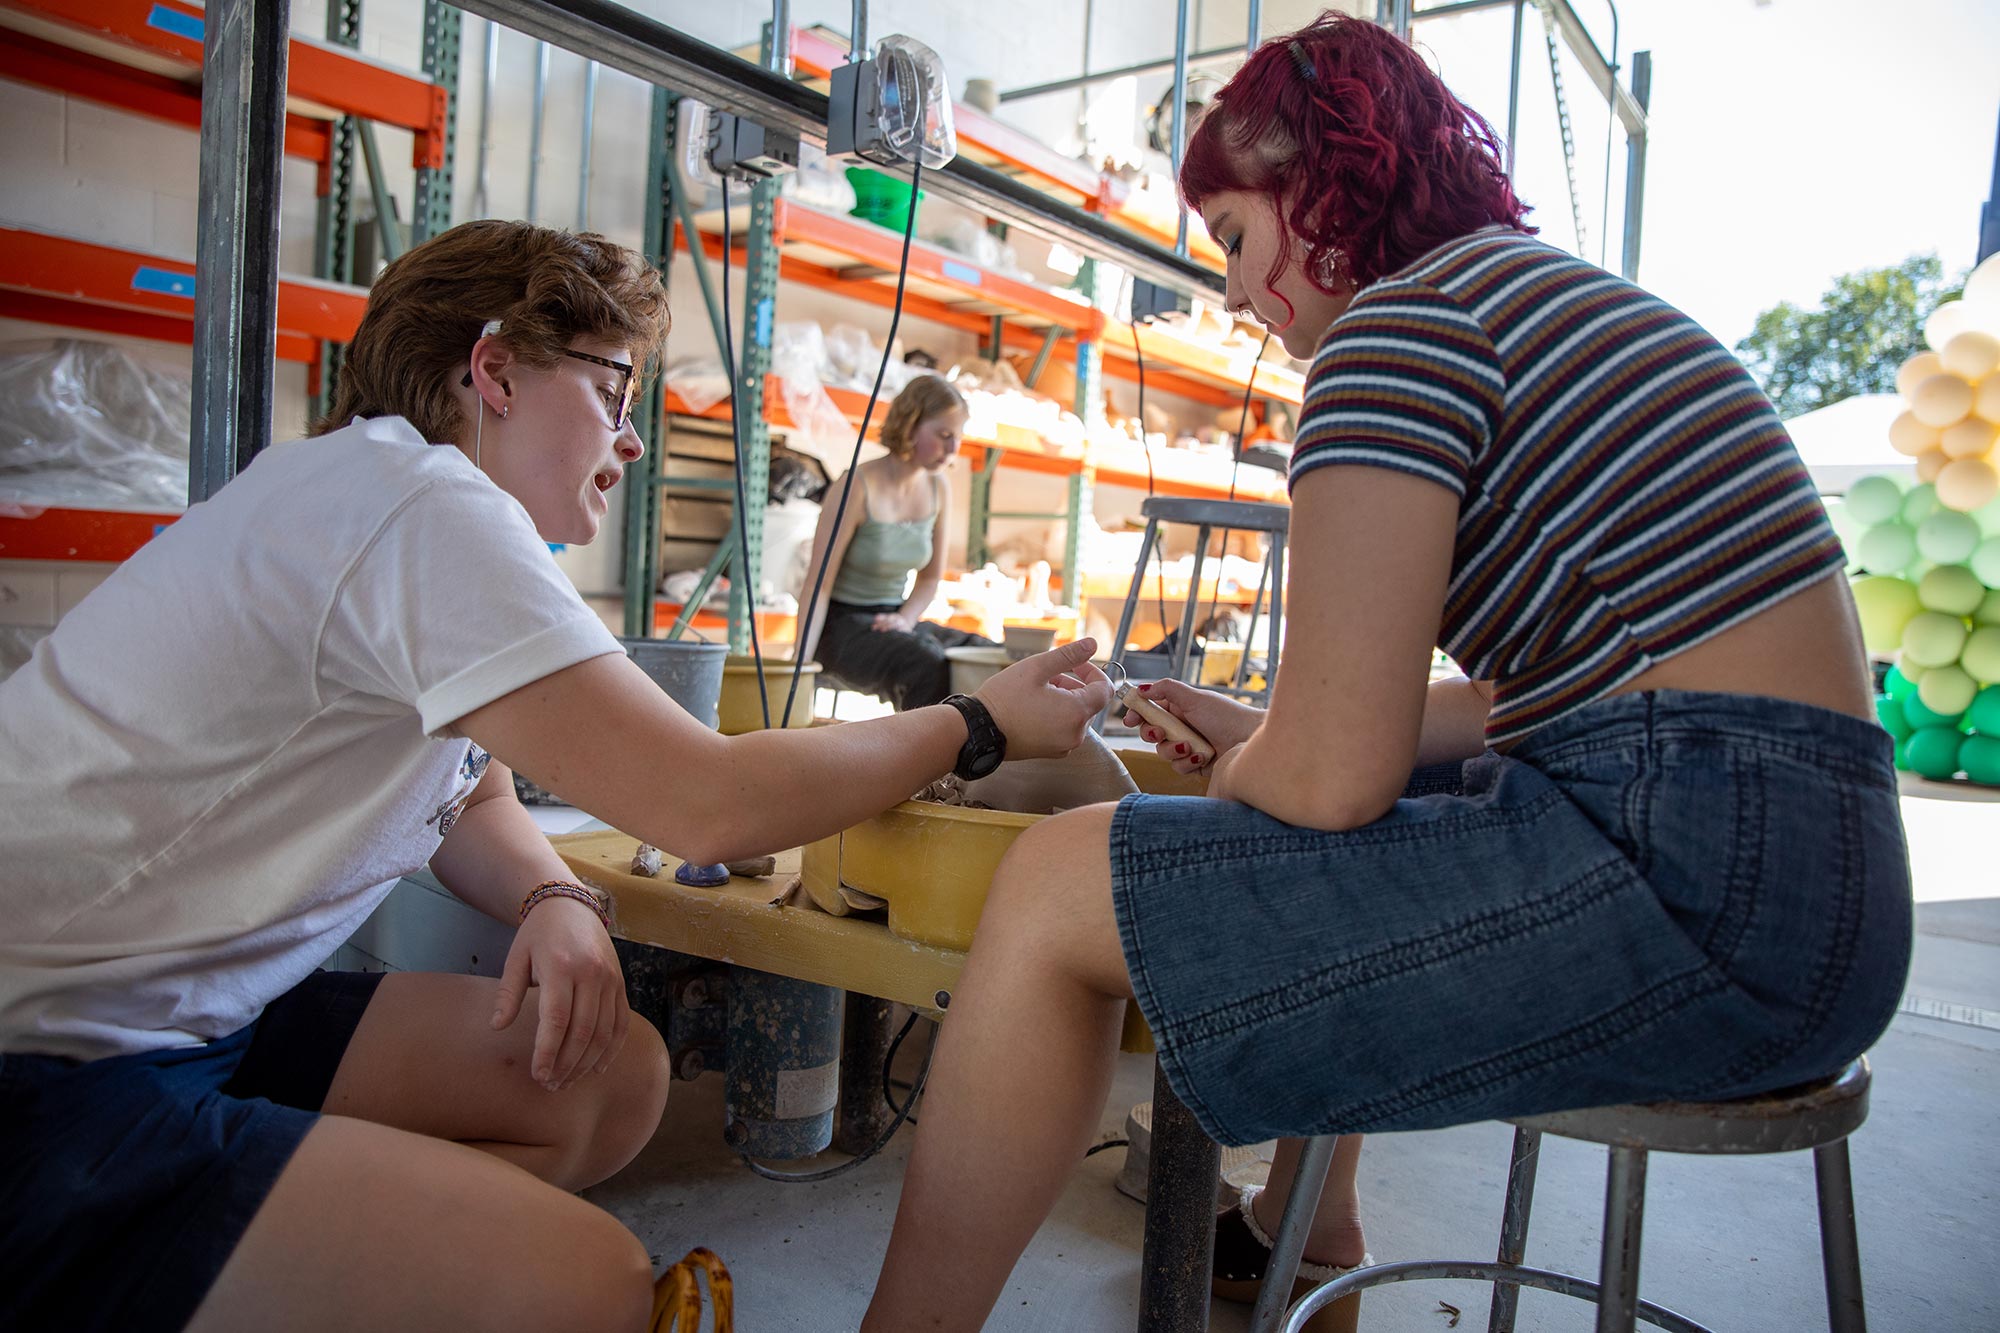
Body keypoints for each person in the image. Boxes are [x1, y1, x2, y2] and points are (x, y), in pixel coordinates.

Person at [859, 15, 1911, 1332]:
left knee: (1060, 881)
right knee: (1337, 812)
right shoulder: (1533, 299)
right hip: (1817, 892)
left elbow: (1333, 783)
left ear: (1322, 191)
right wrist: (1276, 723)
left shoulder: (1397, 333)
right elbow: (1544, 701)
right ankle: (1305, 1222)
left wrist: (1260, 755)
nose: (1236, 294)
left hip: (1702, 883)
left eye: (1239, 241)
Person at [0, 219, 1111, 1333]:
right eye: (612, 393)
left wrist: (554, 894)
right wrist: (975, 721)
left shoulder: (377, 495)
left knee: (606, 1072)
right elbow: (707, 802)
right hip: (46, 1061)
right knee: (590, 1287)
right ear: (492, 370)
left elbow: (465, 788)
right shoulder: (420, 505)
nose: (628, 443)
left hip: (184, 1017)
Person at [796, 374, 1000, 710]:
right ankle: (923, 758)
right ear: (910, 425)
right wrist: (798, 663)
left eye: (958, 438)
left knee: (985, 654)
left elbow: (930, 579)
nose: (952, 449)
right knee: (925, 662)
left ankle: (975, 756)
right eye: (943, 435)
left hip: (895, 617)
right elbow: (818, 585)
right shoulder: (857, 486)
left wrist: (906, 619)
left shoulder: (938, 489)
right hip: (840, 628)